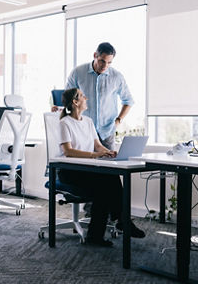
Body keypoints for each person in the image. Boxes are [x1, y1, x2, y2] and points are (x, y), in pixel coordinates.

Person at [58, 88, 145, 248]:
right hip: (70, 172)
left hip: (88, 170)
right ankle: (119, 223)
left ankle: (116, 224)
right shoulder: (65, 123)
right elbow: (68, 151)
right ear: (75, 102)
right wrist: (93, 155)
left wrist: (108, 152)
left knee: (111, 177)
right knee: (104, 187)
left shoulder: (88, 121)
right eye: (83, 96)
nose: (86, 98)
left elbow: (97, 145)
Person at [64, 42, 133, 217]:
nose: (105, 66)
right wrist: (59, 109)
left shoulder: (116, 77)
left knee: (109, 175)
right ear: (95, 55)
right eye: (103, 61)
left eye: (109, 63)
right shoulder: (78, 72)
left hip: (106, 131)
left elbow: (128, 101)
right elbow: (67, 97)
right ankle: (92, 214)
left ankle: (114, 216)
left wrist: (118, 120)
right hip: (81, 130)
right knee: (92, 175)